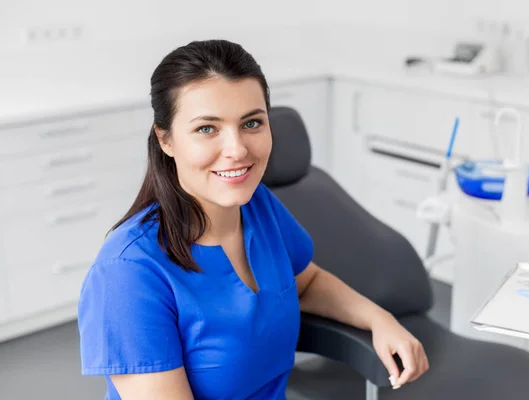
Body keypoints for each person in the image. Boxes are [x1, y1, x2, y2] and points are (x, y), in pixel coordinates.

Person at [77, 39, 429, 400]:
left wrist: (379, 320)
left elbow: (306, 283)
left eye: (252, 123)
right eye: (207, 129)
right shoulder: (127, 272)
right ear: (166, 140)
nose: (238, 149)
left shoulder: (258, 206)